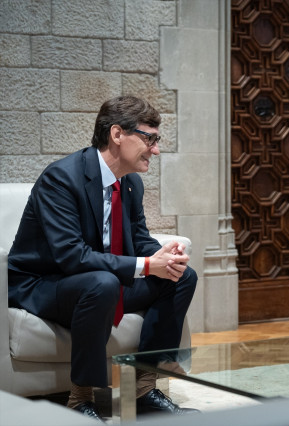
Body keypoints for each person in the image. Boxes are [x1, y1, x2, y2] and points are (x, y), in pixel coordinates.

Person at [8, 96, 199, 421]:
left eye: (157, 140)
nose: (156, 149)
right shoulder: (61, 179)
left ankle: (142, 390)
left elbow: (139, 239)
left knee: (182, 277)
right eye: (149, 138)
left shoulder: (130, 185)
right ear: (117, 134)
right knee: (102, 283)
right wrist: (146, 265)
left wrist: (163, 256)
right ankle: (81, 398)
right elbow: (72, 257)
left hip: (100, 284)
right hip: (45, 285)